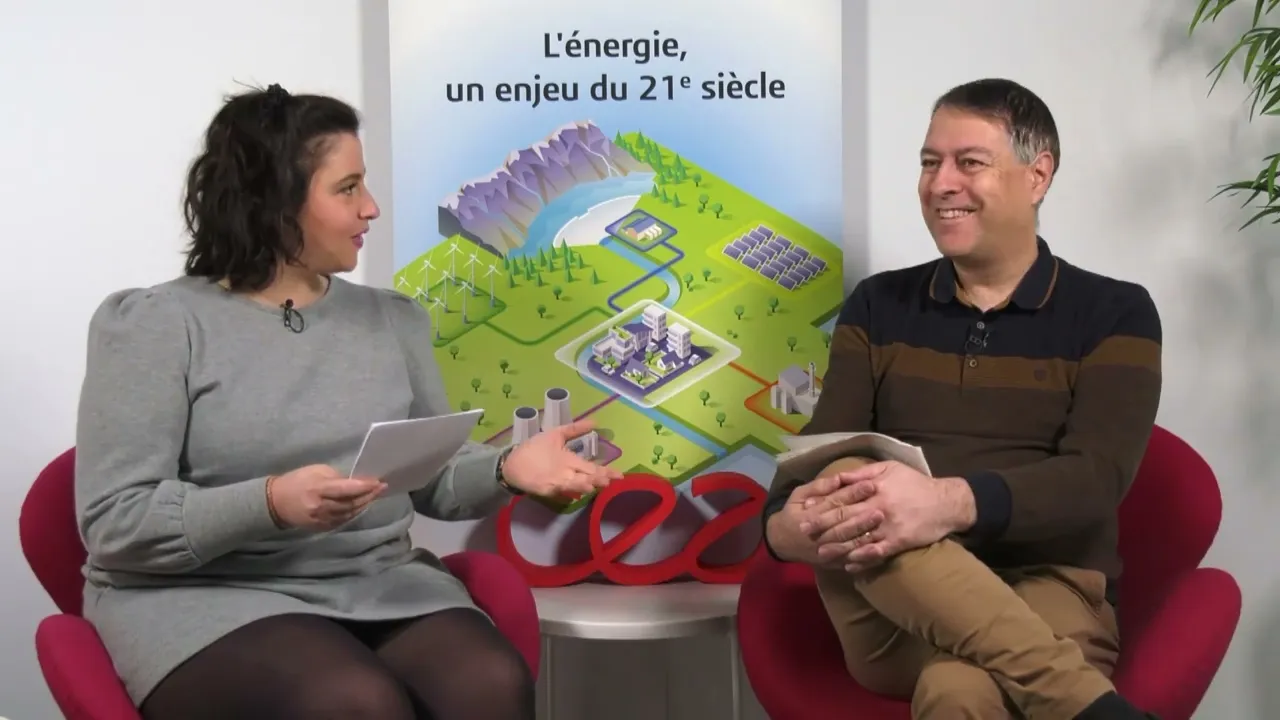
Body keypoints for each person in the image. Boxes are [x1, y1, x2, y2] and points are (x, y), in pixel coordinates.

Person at [74, 83, 621, 720]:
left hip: (375, 582)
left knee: (489, 682)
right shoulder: (155, 325)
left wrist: (507, 468)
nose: (371, 208)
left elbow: (432, 478)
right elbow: (116, 522)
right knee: (353, 701)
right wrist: (271, 503)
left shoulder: (392, 319)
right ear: (273, 201)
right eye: (347, 188)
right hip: (207, 595)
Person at [760, 79, 1163, 719]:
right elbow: (816, 461)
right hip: (892, 605)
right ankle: (1090, 708)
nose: (941, 183)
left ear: (1037, 176)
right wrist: (784, 528)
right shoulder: (878, 304)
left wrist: (944, 504)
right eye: (930, 163)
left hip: (1051, 592)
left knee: (959, 689)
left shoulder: (1116, 312)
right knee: (848, 471)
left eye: (969, 162)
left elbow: (1096, 479)